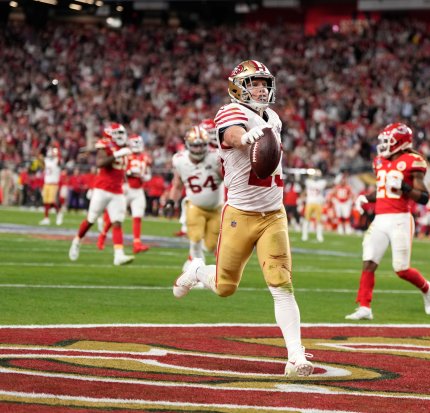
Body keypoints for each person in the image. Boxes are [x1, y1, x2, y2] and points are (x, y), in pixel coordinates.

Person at [172, 60, 313, 377]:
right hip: (240, 214)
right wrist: (246, 139)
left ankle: (296, 357)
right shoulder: (230, 112)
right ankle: (196, 269)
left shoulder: (273, 118)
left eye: (264, 83)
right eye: (253, 83)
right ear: (238, 87)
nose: (261, 89)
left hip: (274, 214)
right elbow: (231, 134)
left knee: (281, 283)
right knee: (225, 287)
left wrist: (258, 138)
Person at [346, 122, 430, 321]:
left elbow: (424, 197)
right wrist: (365, 199)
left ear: (400, 143)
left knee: (401, 269)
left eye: (388, 141)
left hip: (400, 220)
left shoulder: (413, 161)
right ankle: (364, 306)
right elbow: (382, 191)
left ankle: (427, 288)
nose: (384, 145)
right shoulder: (380, 161)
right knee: (369, 261)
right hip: (380, 219)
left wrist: (404, 186)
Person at [68, 123, 134, 266]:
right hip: (102, 189)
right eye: (120, 134)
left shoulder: (125, 150)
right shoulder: (107, 147)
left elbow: (121, 170)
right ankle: (77, 240)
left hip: (117, 191)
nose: (123, 136)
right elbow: (100, 163)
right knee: (91, 220)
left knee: (117, 222)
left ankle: (118, 255)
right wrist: (116, 154)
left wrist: (126, 182)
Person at [164, 120, 223, 267]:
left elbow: (229, 179)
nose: (198, 149)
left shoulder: (215, 157)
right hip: (194, 206)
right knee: (195, 237)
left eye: (202, 145)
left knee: (210, 246)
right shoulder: (180, 160)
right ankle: (195, 269)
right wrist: (171, 201)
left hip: (216, 208)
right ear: (188, 144)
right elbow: (177, 185)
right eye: (195, 145)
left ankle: (193, 261)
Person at [97, 134, 152, 254]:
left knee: (137, 216)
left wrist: (144, 176)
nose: (137, 146)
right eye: (135, 143)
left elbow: (148, 174)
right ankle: (102, 236)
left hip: (138, 190)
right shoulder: (125, 154)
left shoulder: (145, 157)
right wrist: (130, 172)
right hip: (125, 189)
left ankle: (137, 244)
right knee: (115, 216)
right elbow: (119, 170)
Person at [39, 146, 63, 226]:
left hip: (53, 184)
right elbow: (40, 157)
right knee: (46, 202)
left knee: (52, 201)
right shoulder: (46, 161)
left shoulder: (57, 160)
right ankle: (46, 218)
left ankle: (59, 213)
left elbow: (59, 160)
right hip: (46, 183)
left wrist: (57, 149)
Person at [301, 172, 327, 242]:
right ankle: (305, 235)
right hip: (310, 202)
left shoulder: (319, 182)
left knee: (318, 220)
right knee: (307, 219)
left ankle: (319, 235)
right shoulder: (311, 181)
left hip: (317, 203)